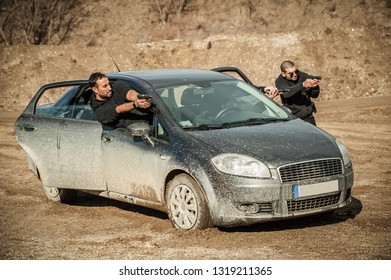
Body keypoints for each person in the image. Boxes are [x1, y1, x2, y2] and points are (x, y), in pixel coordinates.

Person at [89, 72, 153, 130]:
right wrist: (135, 104)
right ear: (95, 90)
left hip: (153, 122)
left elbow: (129, 93)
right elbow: (118, 109)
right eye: (105, 86)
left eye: (109, 84)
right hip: (128, 135)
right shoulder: (99, 111)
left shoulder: (116, 86)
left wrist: (139, 97)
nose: (110, 88)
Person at [275, 60, 320, 126]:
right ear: (283, 74)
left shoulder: (302, 76)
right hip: (292, 117)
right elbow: (286, 93)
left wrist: (315, 87)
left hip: (307, 115)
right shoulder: (280, 81)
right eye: (291, 74)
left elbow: (314, 95)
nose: (295, 75)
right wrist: (302, 85)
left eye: (296, 71)